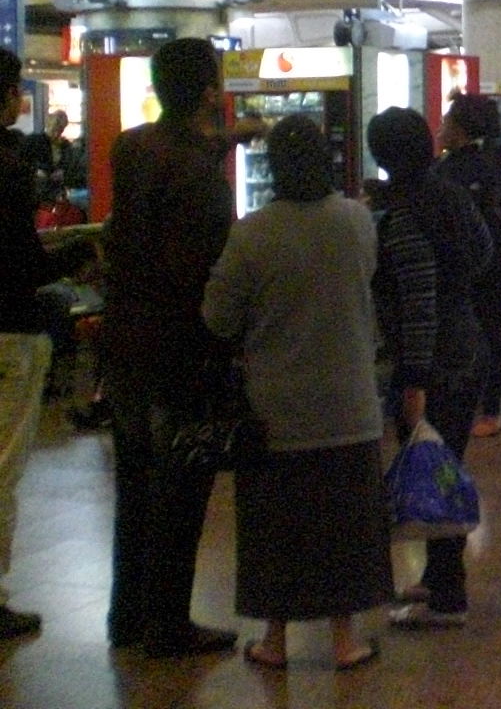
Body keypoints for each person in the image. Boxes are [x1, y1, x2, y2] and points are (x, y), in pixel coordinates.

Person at [200, 115, 389, 671]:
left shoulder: (252, 232)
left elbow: (218, 317)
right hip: (351, 403)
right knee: (345, 530)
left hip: (276, 412)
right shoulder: (357, 222)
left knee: (275, 532)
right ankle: (345, 640)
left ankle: (274, 640)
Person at [101, 37, 256, 657]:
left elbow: (172, 157)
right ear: (208, 93)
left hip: (125, 340)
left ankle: (127, 615)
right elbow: (209, 268)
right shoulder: (202, 176)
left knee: (135, 482)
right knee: (181, 484)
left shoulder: (131, 147)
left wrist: (228, 135)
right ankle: (168, 623)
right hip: (179, 345)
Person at [367, 107, 491, 630]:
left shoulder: (403, 215)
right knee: (443, 466)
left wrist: (413, 378)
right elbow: (484, 252)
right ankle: (440, 579)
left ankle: (448, 596)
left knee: (434, 470)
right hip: (467, 347)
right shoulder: (449, 194)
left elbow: (418, 303)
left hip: (434, 363)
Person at [0, 49, 96, 640]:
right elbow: (22, 262)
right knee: (4, 463)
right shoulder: (9, 167)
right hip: (10, 331)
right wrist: (80, 257)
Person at [435, 94, 501, 439]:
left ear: (460, 129)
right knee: (490, 331)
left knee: (486, 332)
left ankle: (489, 410)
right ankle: (486, 407)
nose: (440, 126)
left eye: (446, 120)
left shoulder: (460, 168)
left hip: (486, 262)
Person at [20, 108, 87, 193]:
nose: (56, 134)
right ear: (48, 125)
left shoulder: (65, 145)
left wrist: (63, 173)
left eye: (60, 131)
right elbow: (22, 161)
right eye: (54, 129)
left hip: (57, 188)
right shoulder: (34, 140)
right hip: (36, 187)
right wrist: (35, 171)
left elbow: (70, 166)